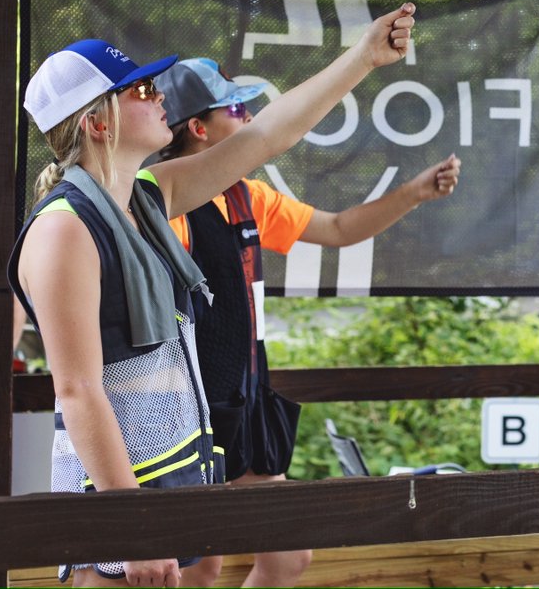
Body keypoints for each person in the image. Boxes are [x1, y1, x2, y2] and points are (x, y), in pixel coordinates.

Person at [8, 2, 424, 588]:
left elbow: (267, 135)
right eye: (141, 90)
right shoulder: (64, 228)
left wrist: (363, 57)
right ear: (98, 123)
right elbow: (78, 390)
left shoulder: (147, 194)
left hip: (173, 483)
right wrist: (134, 527)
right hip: (118, 504)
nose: (159, 99)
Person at [151, 57, 461, 587]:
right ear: (199, 130)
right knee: (199, 569)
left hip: (244, 405)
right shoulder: (161, 204)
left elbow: (339, 228)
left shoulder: (248, 197)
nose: (249, 117)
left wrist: (414, 192)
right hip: (183, 412)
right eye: (236, 108)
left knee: (288, 555)